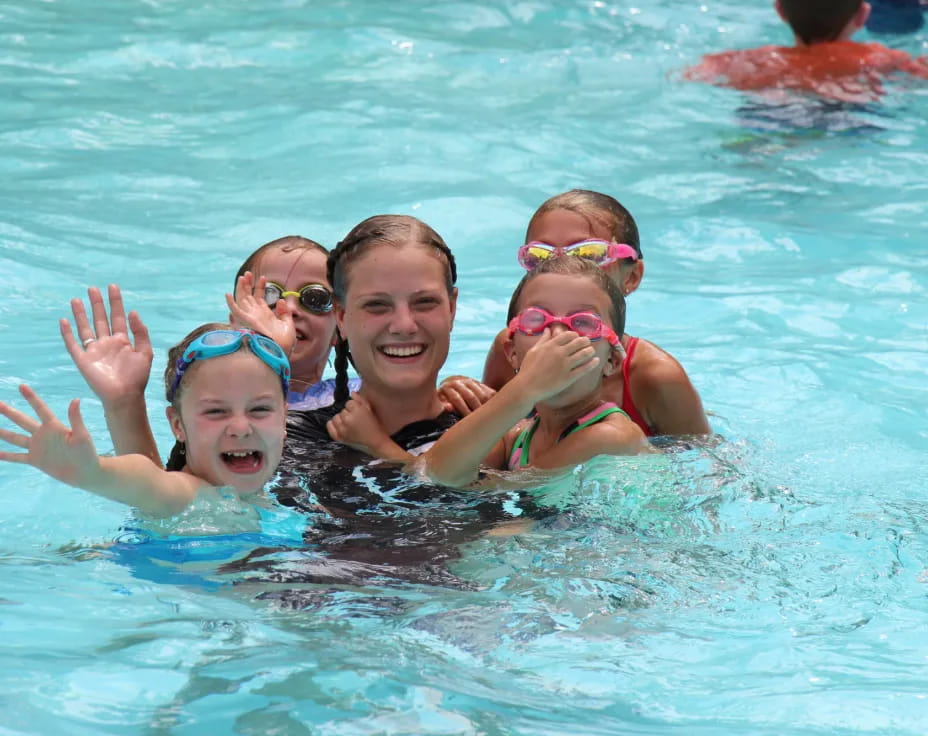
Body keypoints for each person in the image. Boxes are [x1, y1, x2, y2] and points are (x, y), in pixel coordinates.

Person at [482, 190, 710, 438]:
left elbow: (707, 467)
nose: (563, 270)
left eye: (588, 255)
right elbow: (485, 437)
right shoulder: (512, 346)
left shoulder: (654, 377)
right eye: (541, 257)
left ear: (631, 277)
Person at [0, 325, 290, 519]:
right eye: (216, 412)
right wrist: (93, 472)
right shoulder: (189, 495)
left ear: (285, 419)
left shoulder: (260, 498)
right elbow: (149, 481)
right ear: (177, 425)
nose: (240, 428)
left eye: (260, 409)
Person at [421, 258, 650, 488]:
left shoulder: (613, 437)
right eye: (537, 319)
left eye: (583, 323)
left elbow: (500, 492)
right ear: (512, 352)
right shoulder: (517, 437)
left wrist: (525, 388)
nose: (557, 335)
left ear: (612, 360)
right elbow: (435, 473)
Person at [683, 1, 928, 104]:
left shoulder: (755, 59)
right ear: (864, 14)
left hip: (771, 112)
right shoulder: (878, 57)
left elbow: (695, 74)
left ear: (780, 10)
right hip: (847, 115)